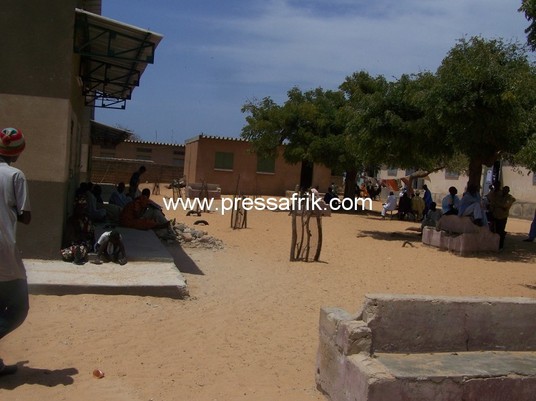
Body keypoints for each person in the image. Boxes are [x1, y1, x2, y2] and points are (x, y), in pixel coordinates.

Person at [0, 127, 31, 376]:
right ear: (18, 152)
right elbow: (25, 216)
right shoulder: (15, 176)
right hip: (4, 248)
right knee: (19, 306)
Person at [490, 186, 516, 250]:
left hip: (502, 217)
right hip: (495, 216)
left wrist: (497, 204)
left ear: (508, 191)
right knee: (493, 231)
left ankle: (500, 246)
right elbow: (492, 203)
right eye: (503, 190)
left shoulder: (510, 198)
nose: (504, 191)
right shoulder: (498, 196)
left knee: (501, 232)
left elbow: (505, 205)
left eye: (506, 190)